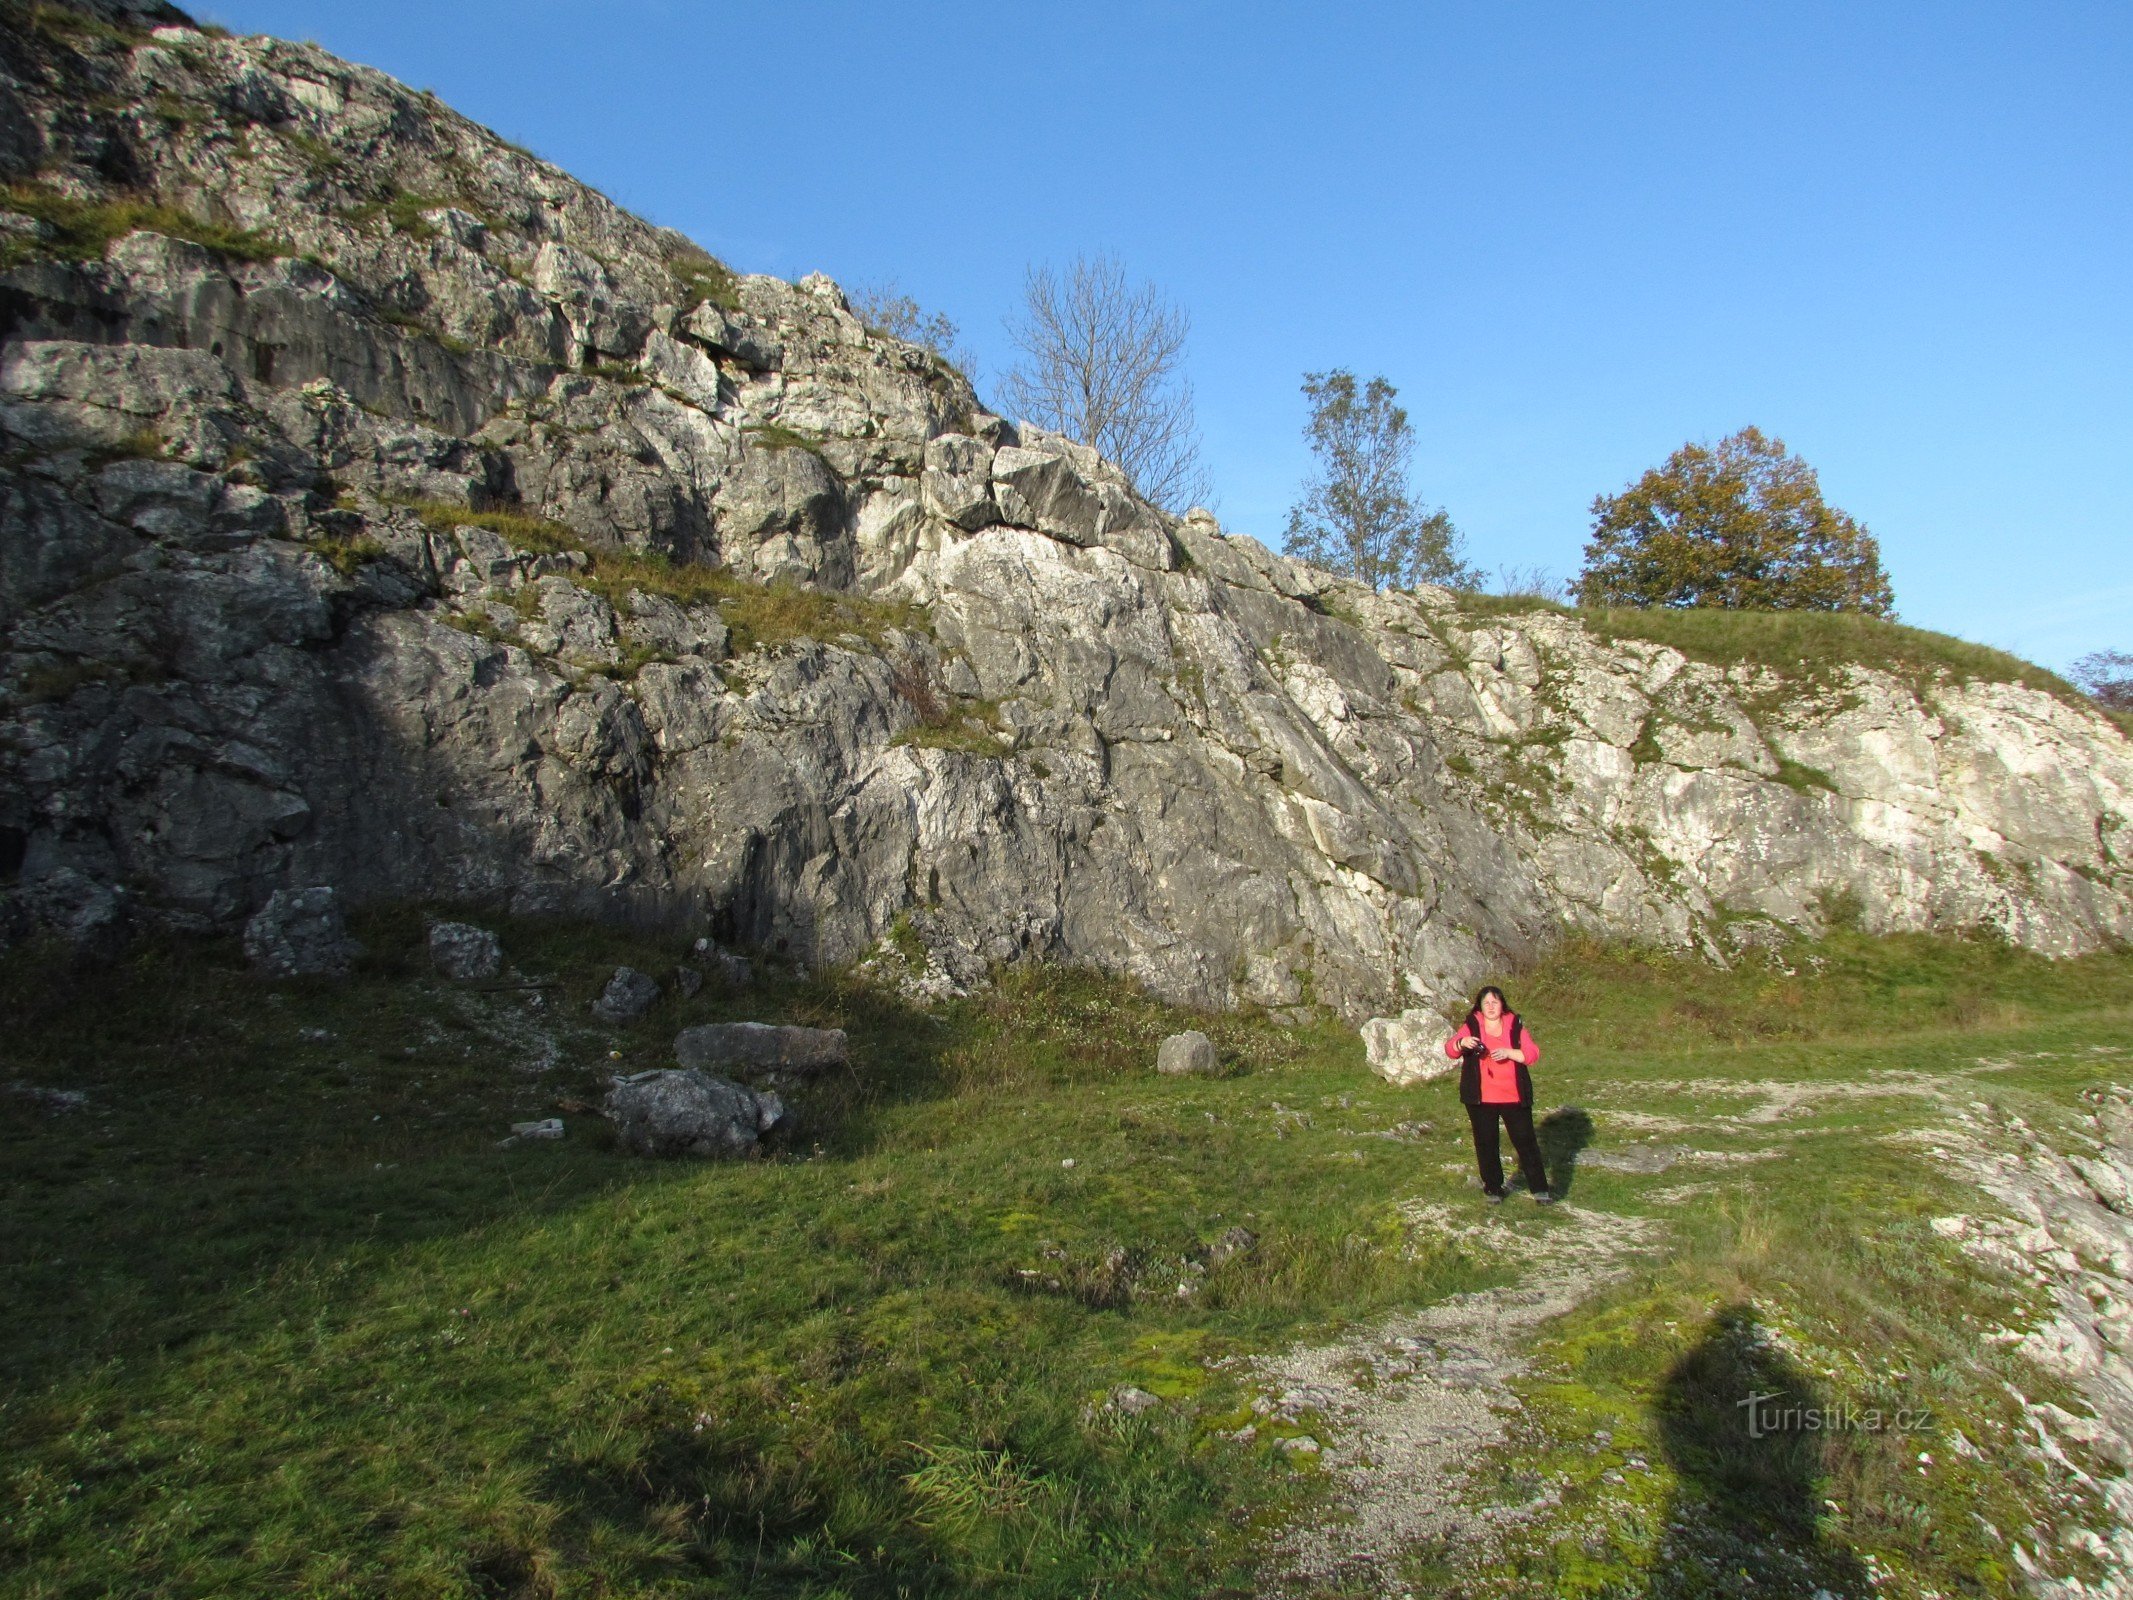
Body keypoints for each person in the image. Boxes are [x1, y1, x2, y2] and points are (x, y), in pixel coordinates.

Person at [1443, 985, 1554, 1204]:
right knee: (1486, 1143)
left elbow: (1532, 1054)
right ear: (1480, 1006)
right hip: (1480, 1098)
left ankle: (1540, 1190)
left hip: (1514, 1096)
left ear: (1502, 1004)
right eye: (1486, 1003)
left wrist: (1509, 1053)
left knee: (1526, 1142)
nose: (1491, 1007)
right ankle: (1493, 1189)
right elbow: (1450, 1050)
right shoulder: (1471, 1025)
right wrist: (1462, 1042)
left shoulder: (1515, 1025)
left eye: (1495, 1002)